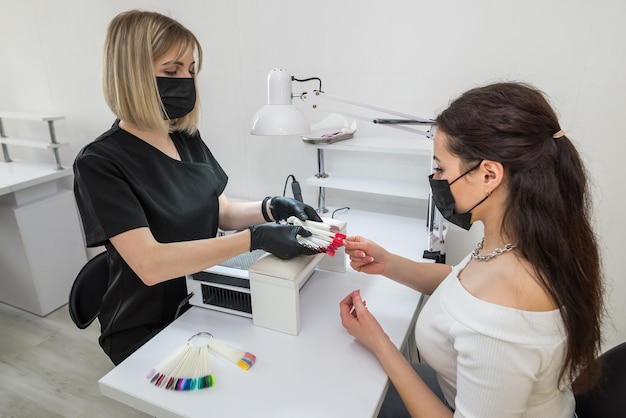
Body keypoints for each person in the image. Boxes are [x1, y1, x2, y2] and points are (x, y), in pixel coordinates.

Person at [339, 82, 604, 417]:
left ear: (489, 174)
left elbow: (484, 306)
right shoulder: (525, 239)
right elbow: (463, 286)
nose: (435, 178)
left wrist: (379, 342)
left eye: (441, 168)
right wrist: (389, 264)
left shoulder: (505, 312)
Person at [73, 10, 322, 365]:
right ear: (131, 75)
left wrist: (271, 207)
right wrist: (255, 238)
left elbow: (219, 210)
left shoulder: (184, 138)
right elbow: (150, 264)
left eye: (190, 71)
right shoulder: (99, 163)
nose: (186, 81)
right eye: (171, 71)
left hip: (201, 302)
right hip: (146, 329)